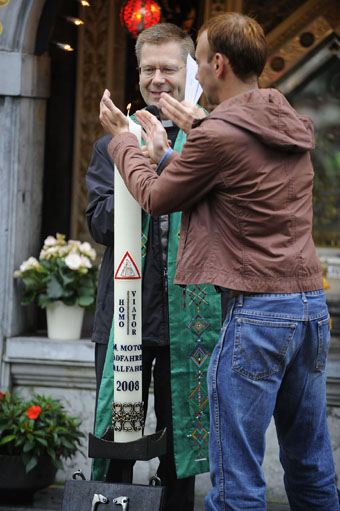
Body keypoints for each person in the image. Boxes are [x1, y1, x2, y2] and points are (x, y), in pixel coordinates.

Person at [98, 12, 340, 511]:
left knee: (236, 484)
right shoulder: (286, 120)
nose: (193, 73)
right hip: (309, 310)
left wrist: (123, 141)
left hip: (256, 316)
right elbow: (236, 180)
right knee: (312, 467)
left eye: (196, 62)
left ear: (218, 64)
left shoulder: (215, 133)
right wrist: (173, 151)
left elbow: (155, 197)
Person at [86, 23, 222, 511]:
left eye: (168, 68)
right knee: (118, 444)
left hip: (191, 324)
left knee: (179, 457)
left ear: (189, 70)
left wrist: (162, 167)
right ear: (137, 72)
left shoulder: (209, 140)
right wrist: (133, 165)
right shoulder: (110, 144)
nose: (157, 79)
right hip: (125, 322)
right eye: (148, 69)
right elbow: (100, 224)